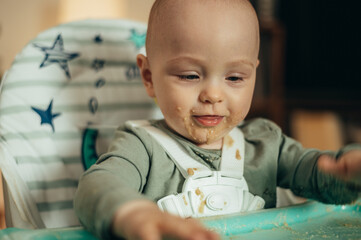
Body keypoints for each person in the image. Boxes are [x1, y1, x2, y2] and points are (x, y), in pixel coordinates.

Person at [74, 0, 361, 239]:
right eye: (189, 75)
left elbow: (318, 176)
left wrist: (345, 171)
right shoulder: (141, 146)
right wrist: (134, 215)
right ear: (149, 76)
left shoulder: (266, 144)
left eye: (235, 77)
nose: (213, 94)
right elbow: (97, 184)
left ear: (254, 76)